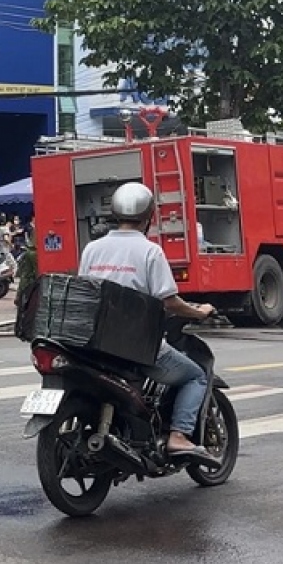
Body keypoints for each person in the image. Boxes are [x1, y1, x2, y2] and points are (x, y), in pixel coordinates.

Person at [78, 182, 221, 466]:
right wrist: (199, 311)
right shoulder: (150, 252)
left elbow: (87, 291)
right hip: (136, 346)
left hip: (93, 344)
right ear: (150, 217)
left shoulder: (92, 249)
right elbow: (169, 302)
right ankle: (179, 436)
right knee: (195, 376)